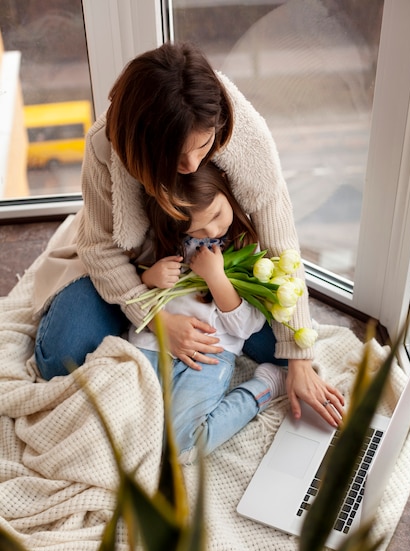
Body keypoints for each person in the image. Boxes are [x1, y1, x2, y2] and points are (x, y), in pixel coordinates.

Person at [32, 40, 344, 425]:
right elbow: (99, 247)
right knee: (59, 359)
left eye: (204, 146)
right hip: (134, 266)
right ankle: (126, 323)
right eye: (177, 157)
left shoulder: (242, 132)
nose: (193, 164)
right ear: (143, 145)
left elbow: (281, 242)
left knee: (290, 352)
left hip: (211, 269)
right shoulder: (105, 144)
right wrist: (153, 318)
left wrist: (298, 358)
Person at [129, 162, 288, 461]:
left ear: (226, 189)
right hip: (151, 346)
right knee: (133, 434)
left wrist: (216, 278)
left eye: (216, 215)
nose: (212, 230)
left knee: (182, 448)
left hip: (209, 354)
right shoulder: (163, 242)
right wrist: (148, 278)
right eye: (197, 227)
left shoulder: (248, 247)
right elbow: (129, 292)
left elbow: (245, 328)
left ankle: (264, 387)